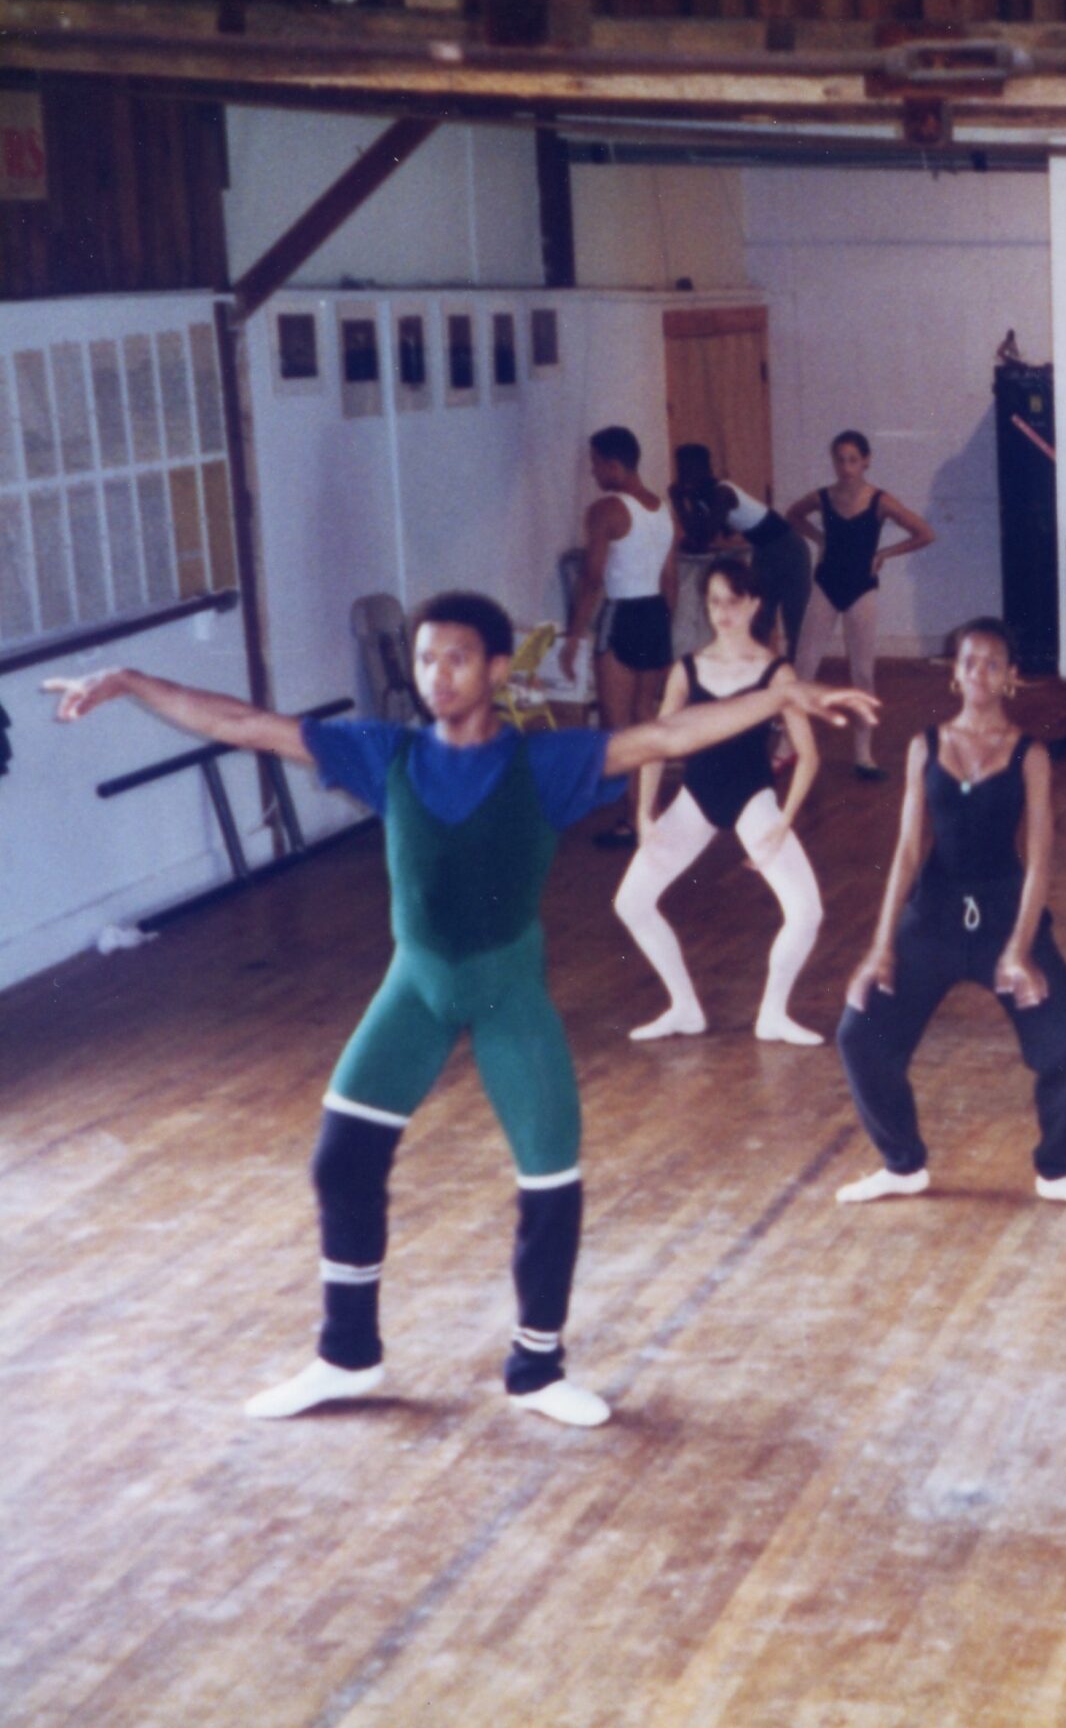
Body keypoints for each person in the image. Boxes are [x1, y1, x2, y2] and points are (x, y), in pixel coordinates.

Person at [43, 594, 876, 1428]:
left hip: (509, 989)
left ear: (496, 670)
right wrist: (131, 680)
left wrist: (775, 699)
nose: (437, 675)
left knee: (550, 1180)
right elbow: (245, 724)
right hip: (416, 989)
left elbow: (663, 737)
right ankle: (346, 1355)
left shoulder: (544, 764)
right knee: (341, 1160)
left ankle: (538, 1368)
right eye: (426, 659)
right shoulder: (385, 754)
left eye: (456, 659)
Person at [834, 619, 1066, 1213]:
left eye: (992, 664)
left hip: (1006, 916)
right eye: (969, 662)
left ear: (1011, 677)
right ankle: (902, 1164)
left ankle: (1057, 1172)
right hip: (931, 916)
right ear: (954, 671)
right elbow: (908, 852)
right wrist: (881, 945)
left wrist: (1019, 946)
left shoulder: (1031, 754)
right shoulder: (924, 746)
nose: (979, 673)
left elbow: (1039, 860)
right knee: (860, 1034)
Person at [612, 559, 827, 1047]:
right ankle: (684, 1007)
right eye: (714, 601)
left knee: (806, 911)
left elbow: (808, 755)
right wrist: (645, 814)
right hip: (697, 798)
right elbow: (655, 743)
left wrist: (784, 820)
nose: (723, 611)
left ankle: (773, 1013)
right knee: (631, 902)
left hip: (754, 800)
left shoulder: (777, 672)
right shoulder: (687, 669)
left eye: (733, 600)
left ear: (753, 604)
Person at [785, 429, 935, 781]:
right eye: (840, 459)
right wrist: (819, 539)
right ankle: (786, 747)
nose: (846, 467)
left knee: (863, 672)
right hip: (826, 584)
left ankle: (863, 754)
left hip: (861, 589)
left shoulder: (879, 500)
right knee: (804, 664)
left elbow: (925, 533)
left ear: (866, 461)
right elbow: (793, 515)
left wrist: (885, 553)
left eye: (853, 459)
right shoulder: (824, 497)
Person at [562, 425, 676, 847]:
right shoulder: (662, 508)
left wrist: (573, 637)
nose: (592, 473)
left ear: (613, 464)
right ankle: (653, 812)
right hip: (654, 615)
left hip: (621, 614)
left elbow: (591, 580)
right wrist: (664, 624)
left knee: (619, 725)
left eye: (594, 464)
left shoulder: (606, 509)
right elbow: (670, 578)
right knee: (646, 713)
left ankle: (634, 819)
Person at [667, 441, 813, 661]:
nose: (684, 475)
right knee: (760, 618)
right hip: (765, 550)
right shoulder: (702, 497)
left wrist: (678, 501)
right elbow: (696, 536)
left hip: (790, 549)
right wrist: (681, 500)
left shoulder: (722, 492)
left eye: (689, 469)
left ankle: (796, 679)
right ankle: (762, 675)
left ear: (706, 468)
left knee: (795, 621)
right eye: (681, 469)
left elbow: (703, 537)